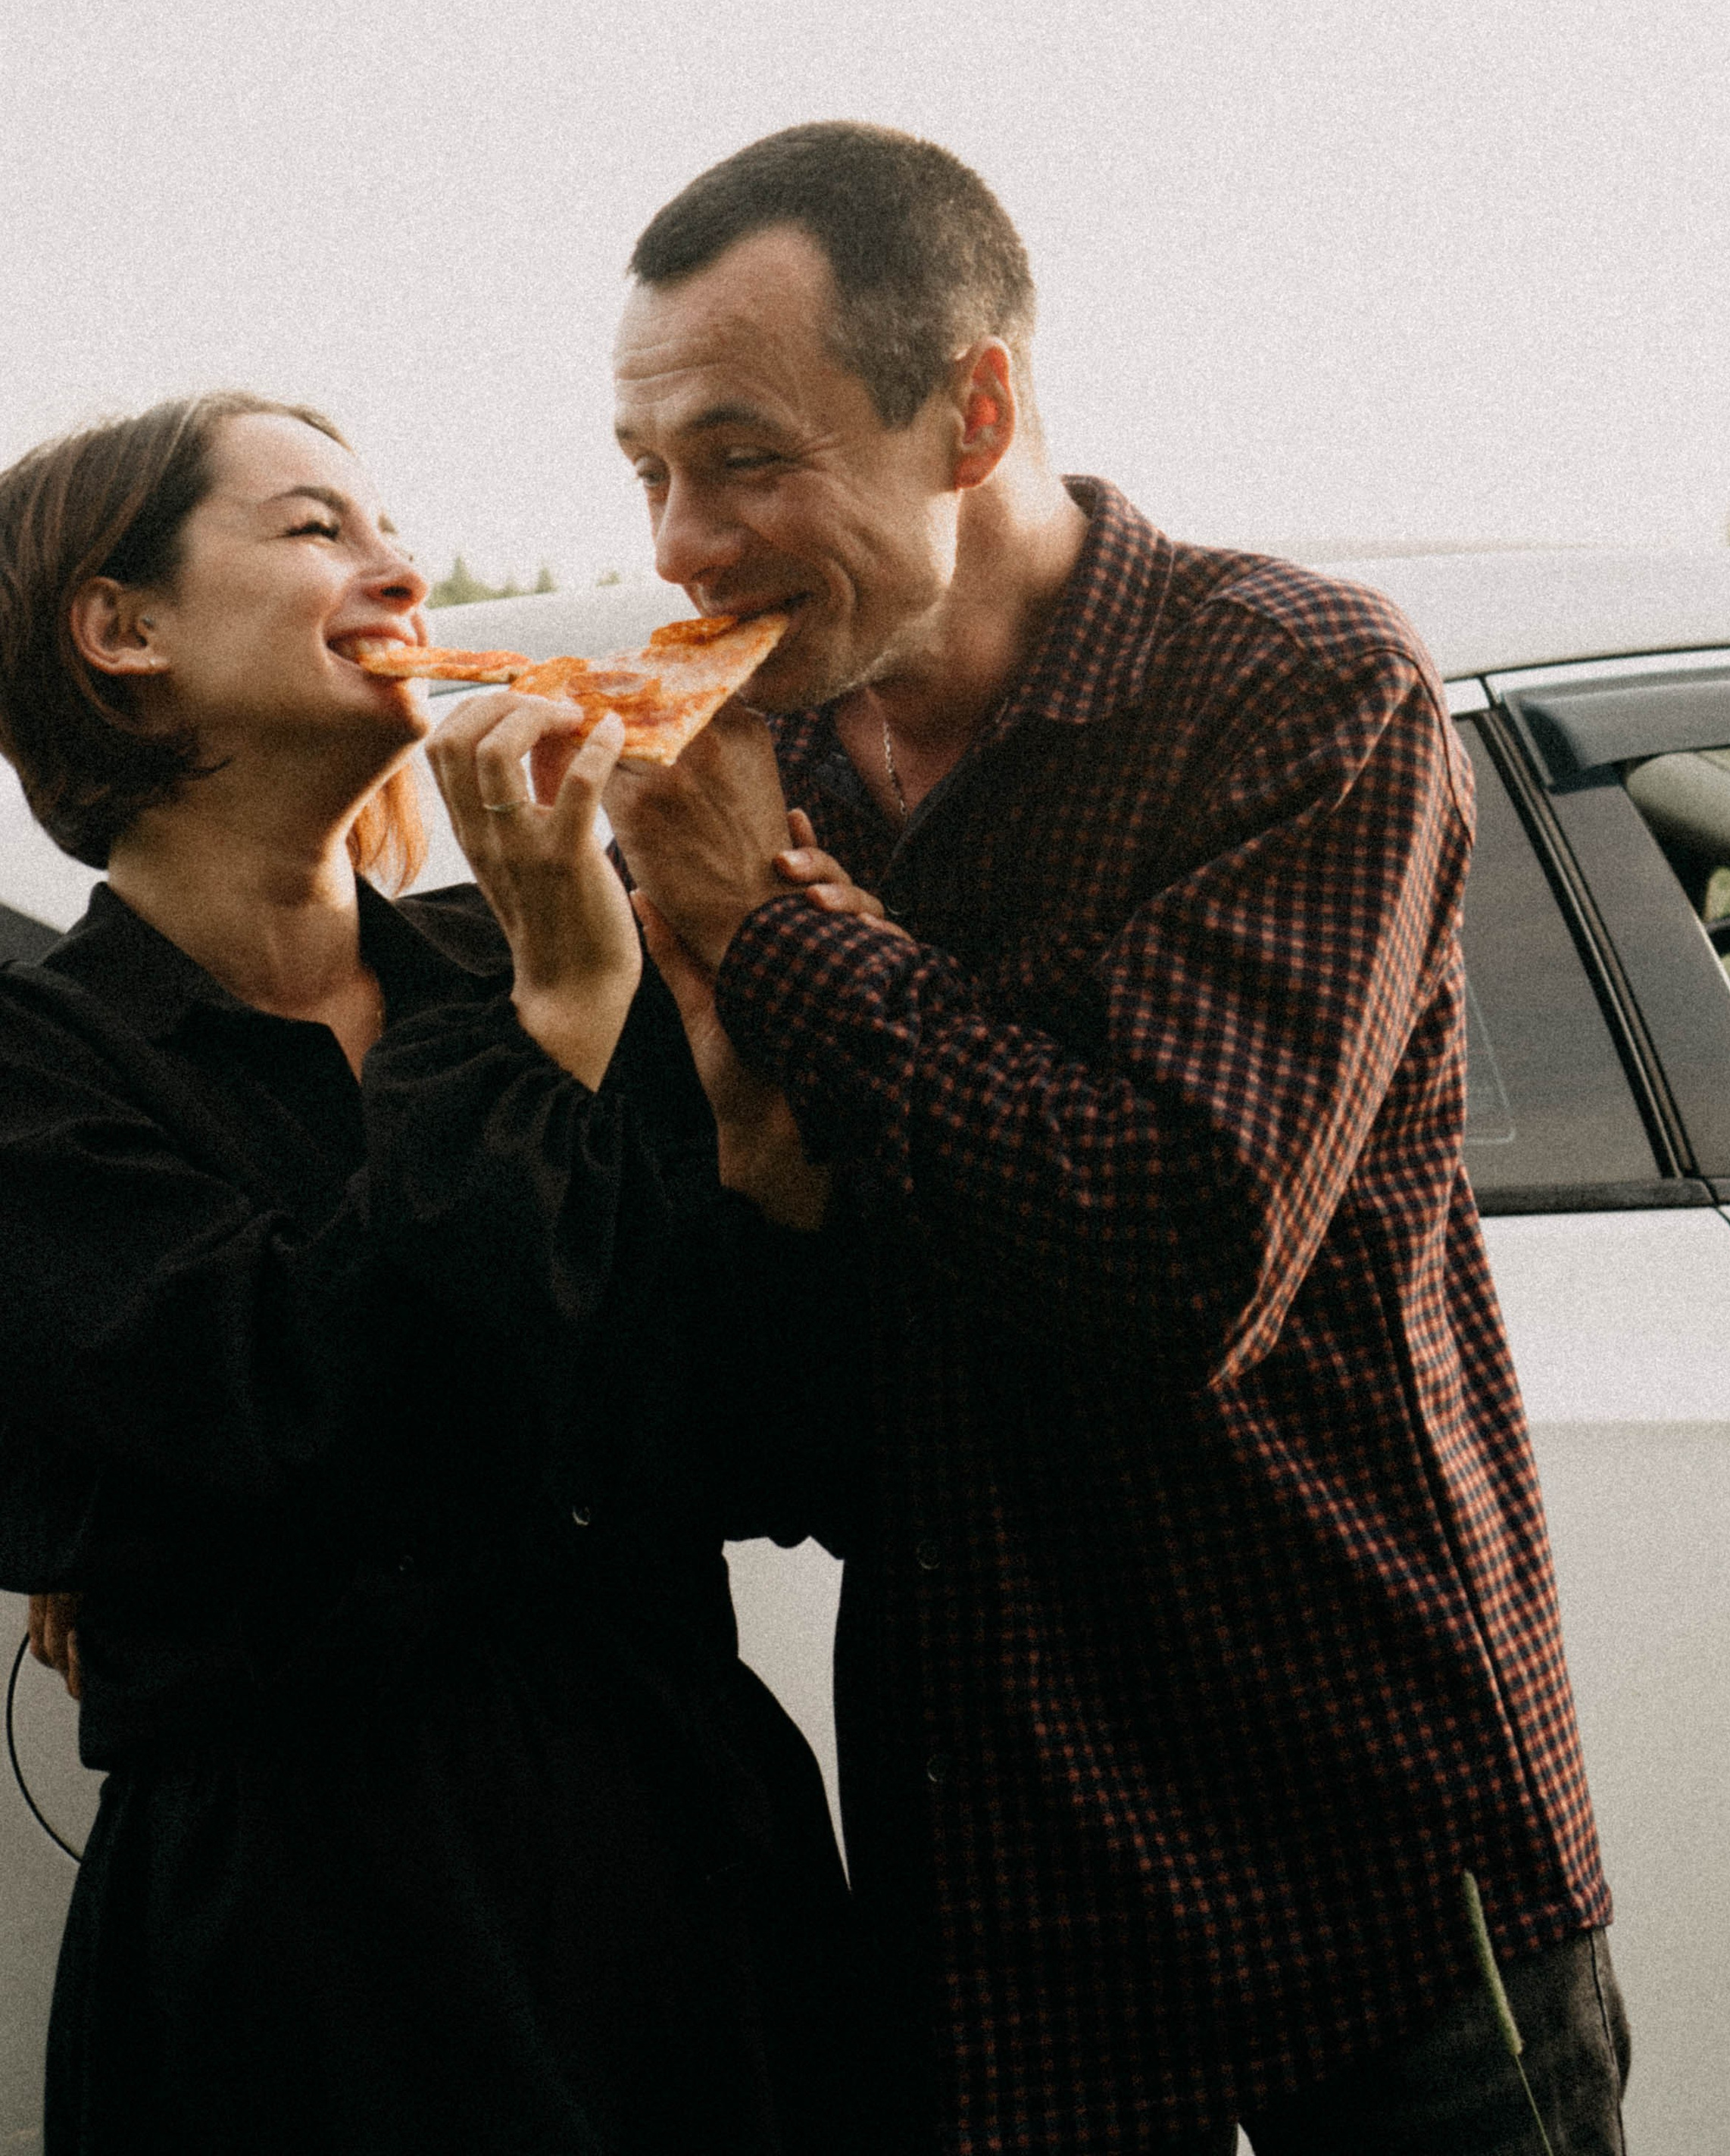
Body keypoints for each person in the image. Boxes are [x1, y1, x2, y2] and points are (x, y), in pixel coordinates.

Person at [588, 122, 1629, 2155]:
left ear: (970, 410)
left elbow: (1169, 1250)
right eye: (650, 476)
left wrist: (773, 934)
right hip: (1000, 1930)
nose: (682, 549)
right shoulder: (753, 773)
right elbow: (764, 1396)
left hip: (1371, 1901)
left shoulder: (1297, 692)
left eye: (745, 456)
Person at [0, 390, 876, 2156]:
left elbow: (769, 1446)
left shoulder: (521, 949)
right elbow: (304, 1408)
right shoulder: (43, 1062)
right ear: (123, 628)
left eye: (388, 523)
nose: (398, 563)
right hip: (320, 1949)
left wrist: (778, 1131)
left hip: (687, 1881)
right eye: (317, 527)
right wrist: (558, 1020)